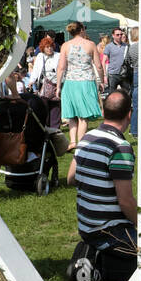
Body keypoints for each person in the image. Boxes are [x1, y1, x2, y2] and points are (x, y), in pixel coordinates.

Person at [72, 90, 136, 280]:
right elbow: (125, 201)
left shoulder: (88, 137)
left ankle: (89, 257)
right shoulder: (120, 147)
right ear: (129, 114)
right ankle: (99, 262)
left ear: (103, 110)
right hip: (109, 231)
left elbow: (70, 177)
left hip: (86, 226)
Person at [57, 21, 105, 181]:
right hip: (85, 82)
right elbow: (98, 66)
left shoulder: (65, 45)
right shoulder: (90, 44)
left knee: (71, 115)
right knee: (83, 116)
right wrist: (102, 81)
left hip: (70, 82)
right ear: (82, 30)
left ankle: (72, 141)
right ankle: (82, 142)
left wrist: (58, 86)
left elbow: (61, 67)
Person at [26, 35, 61, 129]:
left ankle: (55, 129)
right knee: (44, 107)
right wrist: (31, 81)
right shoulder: (40, 56)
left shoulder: (58, 56)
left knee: (56, 107)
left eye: (51, 46)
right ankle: (45, 127)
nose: (49, 49)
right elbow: (36, 70)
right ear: (43, 48)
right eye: (47, 47)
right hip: (44, 85)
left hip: (57, 84)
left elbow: (62, 70)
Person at [104, 26, 130, 93]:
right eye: (117, 35)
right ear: (113, 35)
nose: (119, 36)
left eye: (121, 34)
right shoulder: (109, 46)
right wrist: (104, 76)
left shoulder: (126, 46)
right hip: (113, 75)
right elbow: (103, 61)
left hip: (124, 74)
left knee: (127, 94)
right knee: (112, 95)